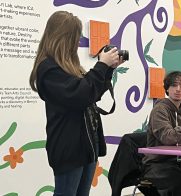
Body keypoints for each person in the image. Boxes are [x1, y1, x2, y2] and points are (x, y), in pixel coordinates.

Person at [29, 11, 124, 196]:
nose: (77, 42)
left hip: (87, 143)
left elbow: (90, 94)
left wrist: (108, 71)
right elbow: (80, 94)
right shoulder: (48, 69)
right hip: (69, 147)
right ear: (63, 37)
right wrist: (101, 66)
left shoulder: (69, 66)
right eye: (75, 37)